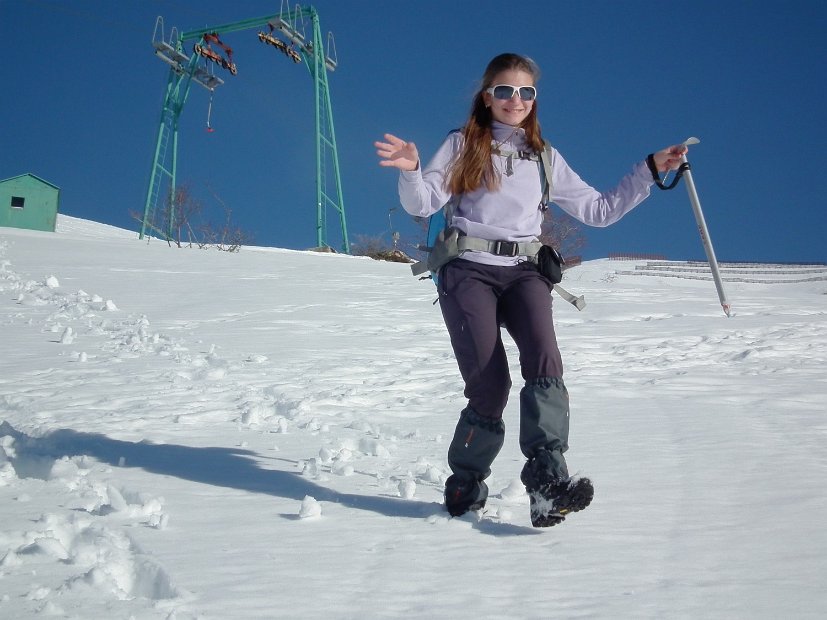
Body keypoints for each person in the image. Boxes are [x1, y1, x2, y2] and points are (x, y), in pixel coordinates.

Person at [374, 52, 687, 527]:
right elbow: (423, 202)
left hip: (524, 272)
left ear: (534, 100)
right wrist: (411, 169)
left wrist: (648, 169)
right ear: (487, 97)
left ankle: (547, 481)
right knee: (490, 385)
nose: (515, 99)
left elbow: (600, 211)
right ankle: (465, 482)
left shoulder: (544, 157)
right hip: (468, 271)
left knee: (544, 362)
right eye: (504, 90)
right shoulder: (462, 144)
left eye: (526, 92)